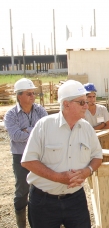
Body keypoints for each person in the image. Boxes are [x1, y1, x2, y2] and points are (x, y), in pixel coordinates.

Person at [21, 80, 103, 228]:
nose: (87, 105)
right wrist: (58, 178)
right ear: (66, 104)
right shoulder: (44, 126)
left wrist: (87, 171)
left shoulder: (87, 128)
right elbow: (28, 161)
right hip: (44, 202)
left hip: (76, 200)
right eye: (82, 102)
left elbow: (97, 156)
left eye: (86, 101)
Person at [4, 78, 48, 228]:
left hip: (39, 156)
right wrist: (35, 131)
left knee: (43, 188)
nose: (32, 96)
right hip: (20, 157)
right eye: (29, 93)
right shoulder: (10, 115)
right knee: (22, 191)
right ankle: (21, 224)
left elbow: (46, 133)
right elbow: (15, 136)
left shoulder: (40, 110)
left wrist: (26, 131)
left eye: (33, 93)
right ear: (19, 96)